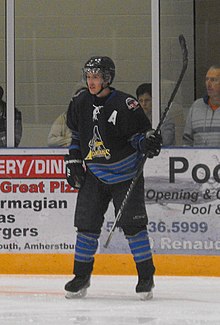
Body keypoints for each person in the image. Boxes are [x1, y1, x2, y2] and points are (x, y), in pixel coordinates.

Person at [64, 56, 162, 300]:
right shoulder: (80, 101)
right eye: (88, 76)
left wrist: (147, 143)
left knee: (133, 227)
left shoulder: (125, 103)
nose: (91, 81)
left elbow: (137, 137)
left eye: (96, 77)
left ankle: (145, 276)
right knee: (85, 226)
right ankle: (81, 276)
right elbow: (76, 135)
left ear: (107, 78)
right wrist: (74, 160)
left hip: (126, 175)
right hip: (95, 175)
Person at [183, 65, 220, 146]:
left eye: (213, 80)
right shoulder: (196, 106)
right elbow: (187, 139)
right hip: (198, 157)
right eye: (207, 79)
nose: (208, 84)